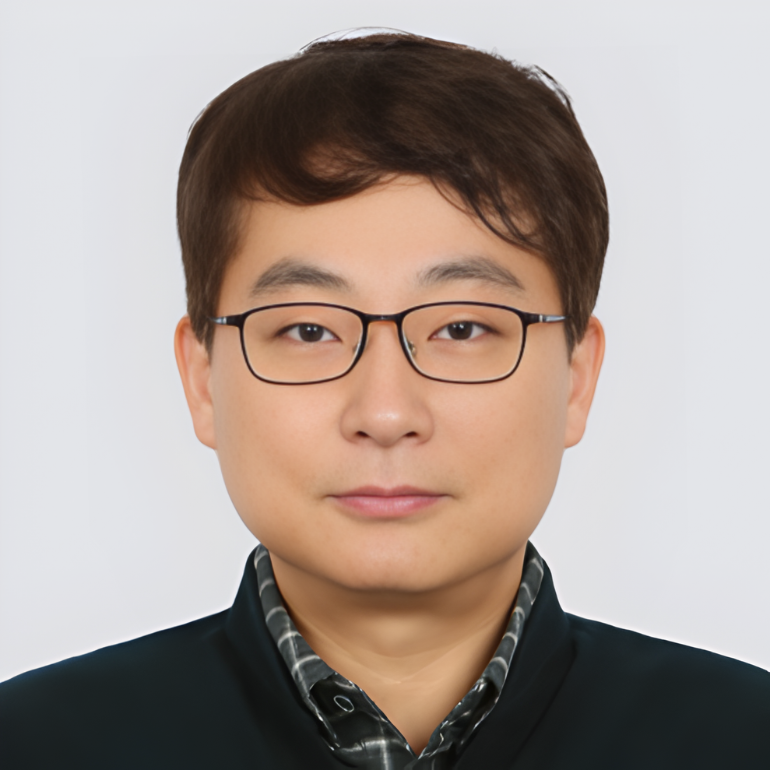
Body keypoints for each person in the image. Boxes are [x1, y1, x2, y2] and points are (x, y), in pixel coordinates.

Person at [0, 31, 767, 769]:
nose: (387, 414)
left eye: (462, 328)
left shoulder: (743, 739)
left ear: (577, 375)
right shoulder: (35, 745)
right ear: (203, 379)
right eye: (307, 330)